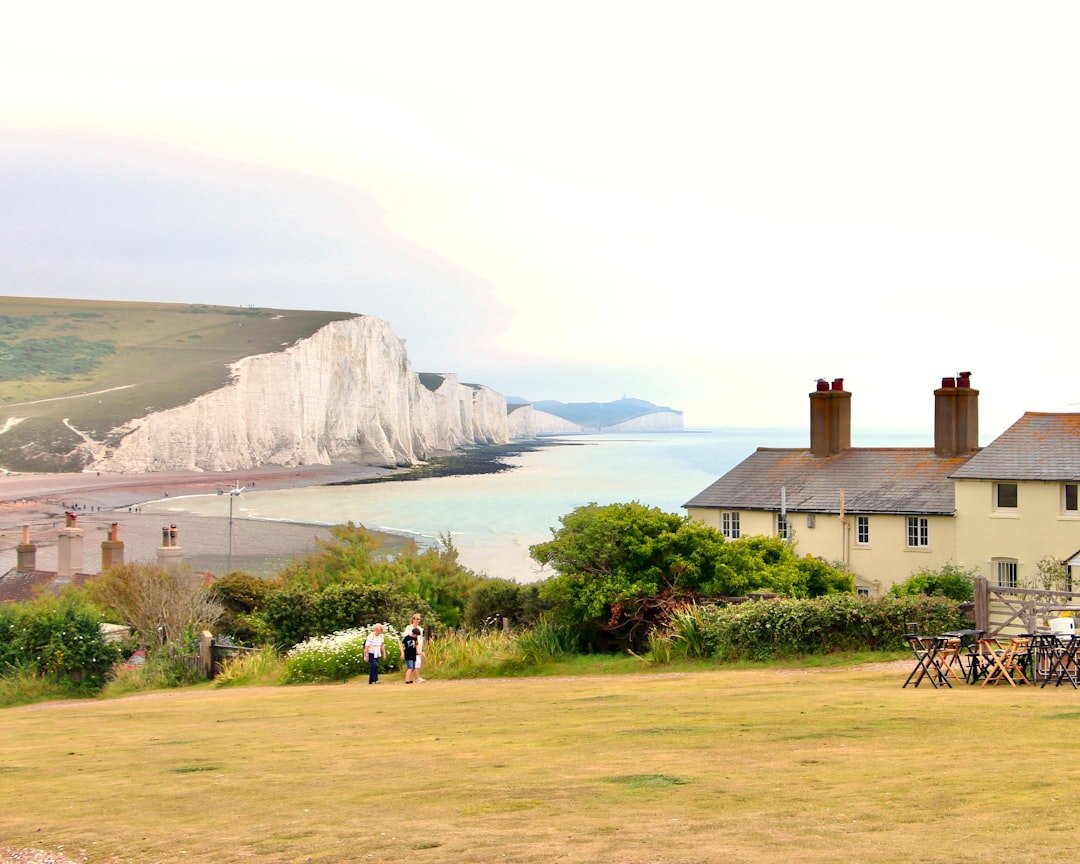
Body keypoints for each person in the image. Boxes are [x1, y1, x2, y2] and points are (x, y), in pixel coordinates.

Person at [407, 614, 426, 682]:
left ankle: (412, 679)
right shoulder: (409, 628)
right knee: (415, 662)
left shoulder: (420, 629)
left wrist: (421, 648)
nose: (418, 620)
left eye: (419, 619)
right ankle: (417, 678)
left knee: (418, 663)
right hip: (412, 648)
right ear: (413, 619)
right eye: (417, 619)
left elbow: (420, 639)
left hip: (419, 647)